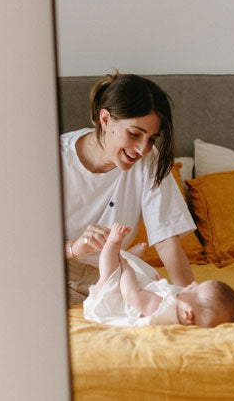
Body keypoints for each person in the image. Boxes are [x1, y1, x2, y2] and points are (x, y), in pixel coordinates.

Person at [61, 71, 197, 305]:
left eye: (152, 139)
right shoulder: (55, 159)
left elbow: (167, 242)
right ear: (105, 120)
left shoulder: (149, 160)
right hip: (57, 274)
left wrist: (191, 302)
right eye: (135, 134)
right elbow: (23, 243)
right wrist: (74, 247)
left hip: (118, 275)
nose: (143, 149)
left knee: (154, 310)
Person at [84, 222, 234, 327]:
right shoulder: (183, 309)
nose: (193, 284)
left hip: (109, 301)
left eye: (195, 289)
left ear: (187, 314)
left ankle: (114, 245)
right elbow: (170, 292)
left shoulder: (160, 308)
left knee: (110, 269)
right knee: (151, 276)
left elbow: (132, 294)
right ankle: (129, 257)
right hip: (138, 296)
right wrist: (161, 286)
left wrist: (126, 269)